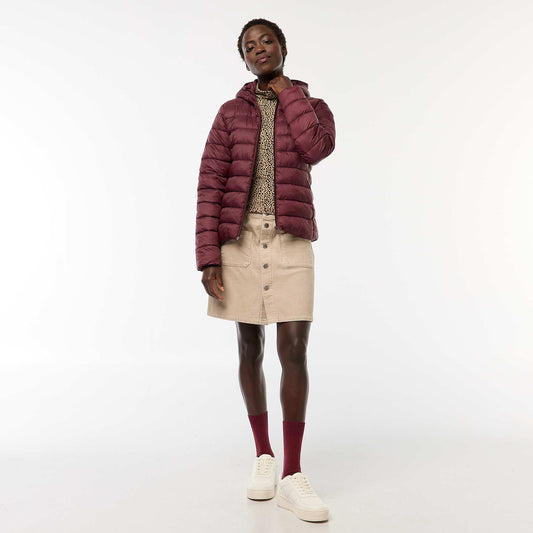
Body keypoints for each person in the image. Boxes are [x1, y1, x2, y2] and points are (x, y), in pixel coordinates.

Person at [195, 18, 335, 523]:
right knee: (248, 346)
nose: (258, 50)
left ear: (282, 47)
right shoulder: (230, 113)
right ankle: (264, 456)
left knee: (294, 349)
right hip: (239, 240)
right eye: (249, 46)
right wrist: (208, 256)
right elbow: (210, 182)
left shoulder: (313, 106)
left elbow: (317, 147)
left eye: (266, 41)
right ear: (243, 58)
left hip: (291, 238)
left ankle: (293, 475)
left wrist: (287, 92)